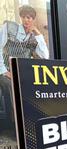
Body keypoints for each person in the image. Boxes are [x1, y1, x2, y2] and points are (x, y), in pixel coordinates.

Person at [0, 4, 49, 132]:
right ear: (21, 18)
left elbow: (45, 56)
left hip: (21, 72)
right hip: (5, 70)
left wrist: (38, 34)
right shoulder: (9, 27)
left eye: (30, 17)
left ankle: (33, 121)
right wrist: (4, 70)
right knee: (11, 85)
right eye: (24, 17)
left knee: (38, 84)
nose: (27, 20)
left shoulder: (33, 37)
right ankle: (15, 123)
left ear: (33, 19)